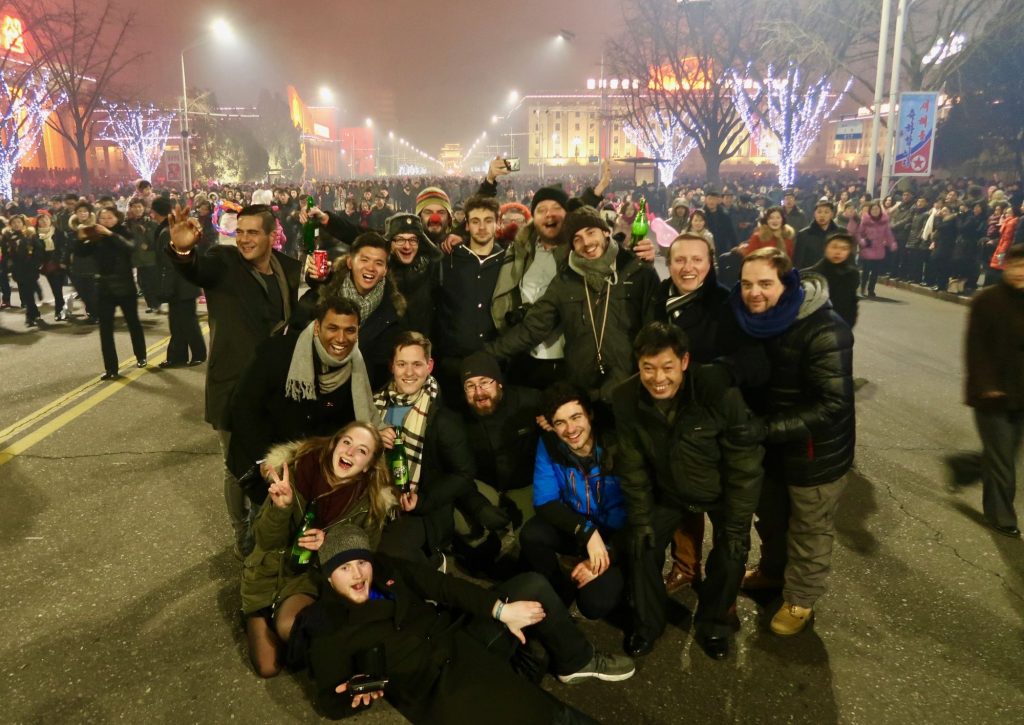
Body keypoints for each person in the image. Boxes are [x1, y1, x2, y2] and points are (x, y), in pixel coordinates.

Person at [289, 525, 633, 723]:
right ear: (329, 578)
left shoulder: (388, 570)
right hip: (437, 687)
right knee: (533, 714)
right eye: (344, 568)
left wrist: (499, 610)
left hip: (461, 638)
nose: (358, 574)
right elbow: (329, 701)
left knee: (531, 587)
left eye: (361, 563)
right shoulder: (328, 625)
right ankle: (527, 663)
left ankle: (574, 660)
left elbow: (444, 587)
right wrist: (353, 694)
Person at [613, 322, 764, 660]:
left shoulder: (716, 391)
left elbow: (745, 463)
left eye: (667, 366)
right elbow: (632, 465)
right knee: (641, 543)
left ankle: (714, 624)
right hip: (669, 490)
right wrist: (640, 518)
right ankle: (648, 623)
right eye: (647, 368)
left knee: (732, 553)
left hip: (721, 491)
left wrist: (738, 523)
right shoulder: (625, 397)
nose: (658, 378)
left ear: (684, 361)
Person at [165, 203, 303, 557]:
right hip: (232, 386)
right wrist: (182, 250)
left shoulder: (288, 268)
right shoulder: (224, 263)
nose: (243, 239)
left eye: (253, 232)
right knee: (236, 466)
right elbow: (196, 268)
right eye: (240, 231)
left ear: (273, 236)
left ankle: (265, 521)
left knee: (274, 458)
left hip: (275, 389)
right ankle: (241, 528)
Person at [731, 248, 855, 636]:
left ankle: (801, 598)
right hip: (771, 449)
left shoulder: (825, 329)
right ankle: (771, 572)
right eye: (748, 284)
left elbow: (832, 404)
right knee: (770, 517)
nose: (754, 292)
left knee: (809, 527)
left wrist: (764, 428)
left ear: (788, 285)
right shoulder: (755, 323)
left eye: (766, 284)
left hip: (815, 454)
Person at [242, 423, 398, 678]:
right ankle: (258, 611)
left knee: (289, 629)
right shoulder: (295, 471)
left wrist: (329, 544)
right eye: (346, 442)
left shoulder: (369, 503)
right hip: (268, 569)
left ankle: (281, 618)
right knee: (268, 667)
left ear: (369, 464)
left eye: (362, 450)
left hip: (306, 579)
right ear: (334, 444)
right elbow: (265, 541)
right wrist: (282, 508)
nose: (349, 452)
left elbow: (360, 558)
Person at [486, 209, 659, 405]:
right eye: (577, 239)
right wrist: (485, 355)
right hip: (583, 391)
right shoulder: (565, 280)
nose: (586, 243)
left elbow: (655, 332)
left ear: (606, 232)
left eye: (590, 232)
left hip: (629, 387)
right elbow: (533, 327)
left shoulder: (637, 272)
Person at [226, 293, 380, 500]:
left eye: (349, 330)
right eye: (333, 328)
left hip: (310, 471)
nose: (341, 339)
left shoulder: (358, 369)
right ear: (317, 327)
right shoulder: (276, 353)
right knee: (262, 526)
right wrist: (264, 461)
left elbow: (348, 423)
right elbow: (243, 407)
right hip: (267, 461)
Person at [520, 382, 628, 620]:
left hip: (618, 537)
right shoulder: (549, 445)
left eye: (576, 417)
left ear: (589, 414)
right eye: (560, 422)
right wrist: (586, 532)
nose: (570, 429)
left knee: (594, 605)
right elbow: (544, 501)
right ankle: (556, 590)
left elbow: (639, 515)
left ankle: (621, 581)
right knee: (532, 534)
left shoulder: (616, 445)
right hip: (579, 527)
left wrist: (607, 553)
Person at [373, 332, 475, 566]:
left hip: (420, 509)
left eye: (417, 365)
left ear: (429, 366)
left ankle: (434, 567)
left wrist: (422, 500)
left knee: (389, 554)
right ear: (392, 367)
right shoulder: (373, 404)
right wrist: (370, 438)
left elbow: (464, 474)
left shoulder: (442, 418)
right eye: (402, 364)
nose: (409, 373)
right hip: (374, 497)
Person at [964, 244, 1024, 538]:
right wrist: (986, 385)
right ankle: (1002, 516)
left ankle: (965, 466)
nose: (1021, 272)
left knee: (1004, 455)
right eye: (1016, 265)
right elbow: (976, 349)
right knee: (1002, 460)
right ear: (1005, 266)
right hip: (992, 395)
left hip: (1021, 394)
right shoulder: (987, 301)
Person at [302, 232, 408, 389]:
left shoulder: (395, 315)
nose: (371, 268)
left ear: (385, 270)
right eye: (364, 260)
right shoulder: (317, 300)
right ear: (350, 262)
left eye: (379, 263)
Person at [433, 194, 506, 395]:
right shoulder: (449, 258)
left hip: (495, 361)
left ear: (498, 224)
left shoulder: (509, 261)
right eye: (475, 221)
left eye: (488, 221)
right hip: (452, 362)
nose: (481, 227)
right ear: (466, 226)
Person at [74, 208, 148, 378]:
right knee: (105, 329)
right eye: (103, 218)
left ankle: (141, 356)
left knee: (133, 323)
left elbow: (130, 248)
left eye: (110, 217)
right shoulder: (96, 236)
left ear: (117, 218)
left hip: (125, 286)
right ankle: (111, 369)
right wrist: (80, 239)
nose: (106, 220)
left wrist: (110, 234)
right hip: (104, 287)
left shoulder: (124, 232)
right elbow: (81, 253)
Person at [152, 197, 206, 367]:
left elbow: (169, 264)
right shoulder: (164, 230)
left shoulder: (167, 231)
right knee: (177, 322)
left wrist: (165, 287)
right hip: (180, 283)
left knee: (187, 322)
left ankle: (197, 353)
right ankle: (178, 356)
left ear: (154, 212)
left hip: (182, 284)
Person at [383, 212, 440, 338]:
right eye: (400, 240)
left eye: (413, 240)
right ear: (390, 243)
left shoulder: (428, 266)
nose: (407, 246)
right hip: (390, 349)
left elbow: (438, 255)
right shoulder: (381, 271)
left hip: (424, 345)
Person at [805, 233, 860, 329]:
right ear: (825, 248)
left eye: (844, 248)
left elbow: (852, 304)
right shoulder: (810, 275)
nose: (838, 252)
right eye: (834, 247)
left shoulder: (852, 275)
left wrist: (847, 327)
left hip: (841, 328)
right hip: (812, 328)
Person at [3, 215, 43, 327]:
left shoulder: (30, 235)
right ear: (10, 225)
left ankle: (30, 317)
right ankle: (34, 312)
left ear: (23, 223)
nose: (16, 224)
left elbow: (39, 250)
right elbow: (5, 254)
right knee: (25, 294)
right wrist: (9, 266)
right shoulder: (7, 237)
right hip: (18, 270)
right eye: (14, 222)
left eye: (19, 222)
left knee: (27, 293)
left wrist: (36, 264)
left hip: (30, 268)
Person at [849, 202, 897, 297]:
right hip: (868, 248)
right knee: (866, 271)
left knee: (875, 272)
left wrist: (892, 243)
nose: (875, 211)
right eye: (873, 209)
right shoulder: (865, 221)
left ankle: (871, 289)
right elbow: (858, 233)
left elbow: (888, 234)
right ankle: (862, 289)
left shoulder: (884, 222)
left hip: (879, 250)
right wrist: (862, 241)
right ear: (870, 211)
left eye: (877, 209)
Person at [792, 200, 842, 270]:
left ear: (832, 214)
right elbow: (798, 262)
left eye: (826, 212)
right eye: (819, 212)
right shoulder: (804, 234)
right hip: (811, 277)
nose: (822, 215)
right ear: (814, 214)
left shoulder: (840, 233)